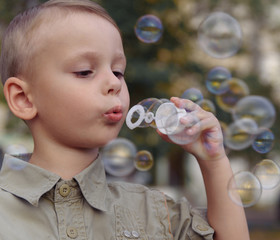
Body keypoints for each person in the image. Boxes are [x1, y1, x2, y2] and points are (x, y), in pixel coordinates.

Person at [0, 0, 250, 239]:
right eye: (85, 71)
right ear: (24, 99)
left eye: (118, 71)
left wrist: (214, 162)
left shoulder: (153, 211)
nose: (113, 83)